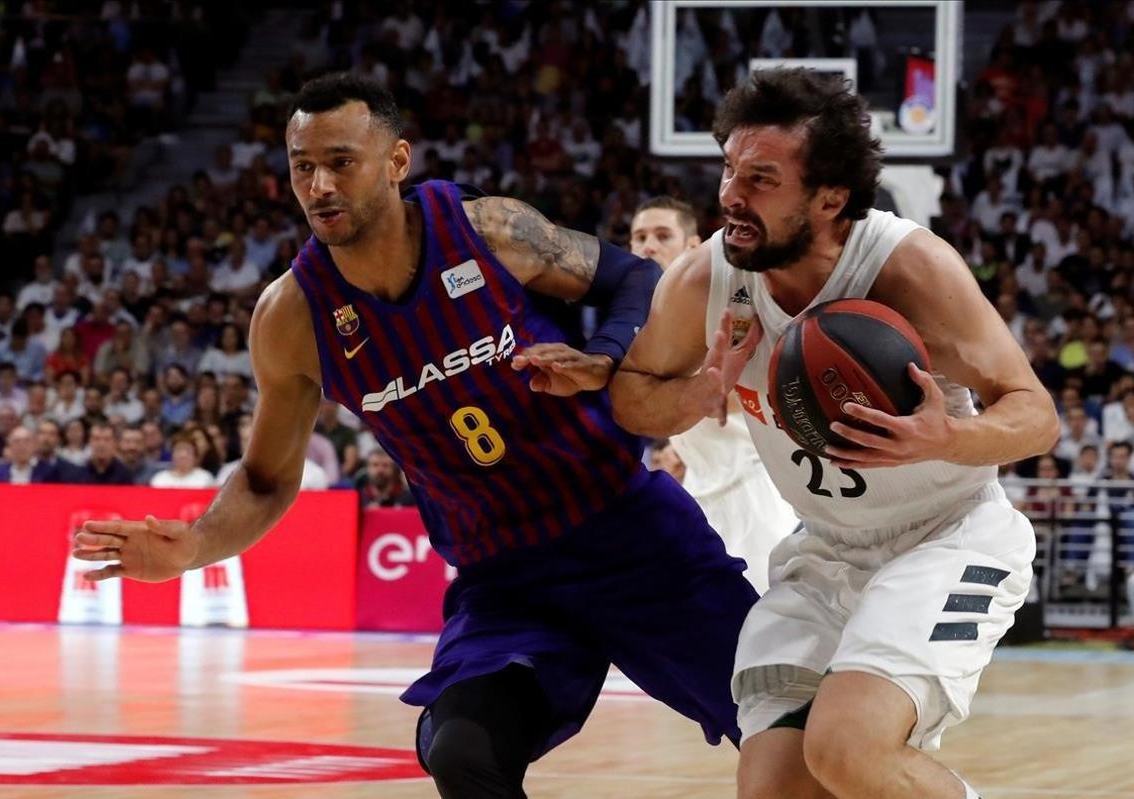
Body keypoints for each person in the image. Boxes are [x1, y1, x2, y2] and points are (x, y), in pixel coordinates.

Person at [74, 73, 757, 798]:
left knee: (793, 724)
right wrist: (196, 543)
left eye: (341, 161)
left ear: (397, 162)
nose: (320, 185)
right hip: (505, 579)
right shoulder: (291, 317)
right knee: (462, 747)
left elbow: (629, 277)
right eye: (303, 166)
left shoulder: (489, 231)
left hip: (629, 533)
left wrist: (608, 357)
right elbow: (269, 478)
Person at [609, 68, 1058, 799]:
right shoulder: (706, 278)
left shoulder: (909, 268)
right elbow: (632, 398)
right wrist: (698, 392)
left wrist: (943, 437)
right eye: (729, 169)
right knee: (775, 788)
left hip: (946, 535)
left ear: (829, 198)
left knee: (848, 748)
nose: (730, 196)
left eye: (760, 179)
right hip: (826, 550)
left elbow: (1036, 414)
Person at [630, 196, 796, 592]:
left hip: (753, 486)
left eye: (661, 235)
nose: (648, 245)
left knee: (769, 632)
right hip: (697, 491)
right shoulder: (638, 315)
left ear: (692, 246)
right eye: (639, 237)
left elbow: (748, 387)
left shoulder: (726, 301)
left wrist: (678, 400)